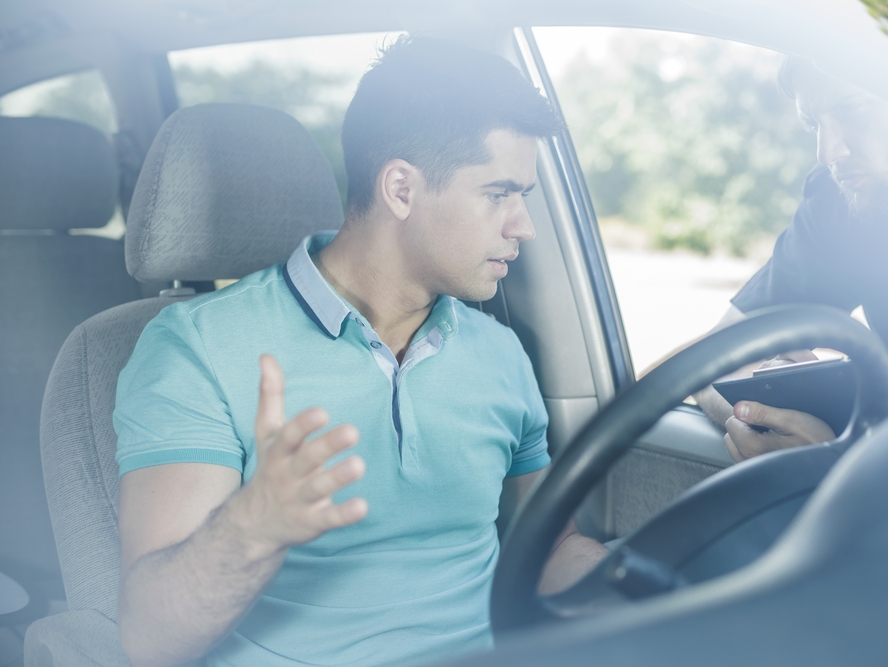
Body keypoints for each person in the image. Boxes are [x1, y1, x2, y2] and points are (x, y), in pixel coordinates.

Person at [113, 36, 607, 667]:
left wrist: (653, 579)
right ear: (401, 188)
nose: (524, 226)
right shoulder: (197, 348)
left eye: (524, 198)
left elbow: (548, 547)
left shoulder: (501, 353)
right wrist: (255, 524)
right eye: (497, 194)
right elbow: (148, 640)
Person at [696, 57, 888, 462]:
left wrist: (856, 456)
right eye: (814, 124)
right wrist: (765, 425)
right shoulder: (846, 207)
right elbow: (711, 362)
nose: (828, 151)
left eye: (853, 111)